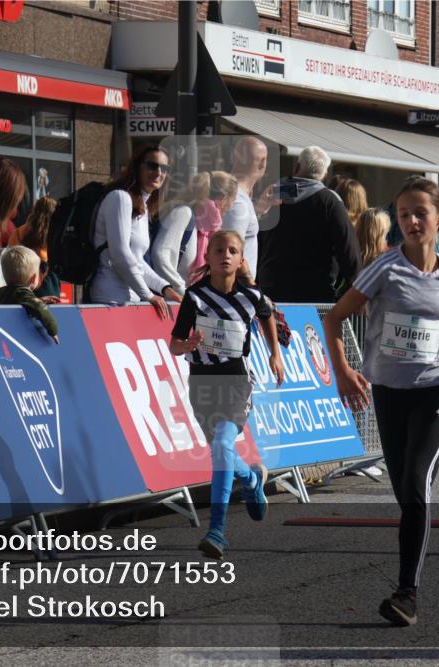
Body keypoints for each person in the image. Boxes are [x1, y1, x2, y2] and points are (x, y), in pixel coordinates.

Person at [322, 176, 439, 627]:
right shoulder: (384, 269)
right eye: (403, 215)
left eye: (420, 213)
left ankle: (407, 594)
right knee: (404, 492)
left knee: (417, 487)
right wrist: (343, 371)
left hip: (433, 387)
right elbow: (337, 317)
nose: (411, 221)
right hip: (387, 392)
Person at [169, 230, 285, 560]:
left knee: (222, 445)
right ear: (208, 257)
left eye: (232, 250)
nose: (225, 255)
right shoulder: (194, 297)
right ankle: (250, 480)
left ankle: (217, 531)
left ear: (241, 259)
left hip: (236, 383)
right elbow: (174, 343)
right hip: (202, 384)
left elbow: (267, 316)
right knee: (220, 452)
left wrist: (275, 353)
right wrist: (187, 346)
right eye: (219, 249)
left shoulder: (251, 296)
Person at [258, 146, 361, 303]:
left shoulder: (271, 196)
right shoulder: (329, 201)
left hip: (270, 293)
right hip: (315, 296)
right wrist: (353, 290)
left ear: (297, 167)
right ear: (324, 175)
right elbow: (349, 251)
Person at [89, 144, 181, 318]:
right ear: (137, 166)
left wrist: (164, 287)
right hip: (110, 298)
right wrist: (149, 295)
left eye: (164, 168)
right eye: (152, 165)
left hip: (130, 298)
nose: (158, 172)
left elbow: (137, 261)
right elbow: (120, 255)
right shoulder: (120, 198)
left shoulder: (142, 207)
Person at [152, 171, 238, 296]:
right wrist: (183, 291)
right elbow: (160, 255)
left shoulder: (208, 229)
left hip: (185, 302)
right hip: (168, 301)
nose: (231, 207)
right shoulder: (183, 214)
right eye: (233, 201)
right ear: (223, 200)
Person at [221, 137, 274, 280]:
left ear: (233, 157)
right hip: (234, 293)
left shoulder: (236, 197)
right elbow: (229, 255)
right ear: (263, 163)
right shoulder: (238, 202)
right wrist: (251, 286)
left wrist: (258, 211)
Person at [0, 245, 59, 344]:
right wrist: (53, 330)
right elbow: (39, 308)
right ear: (33, 278)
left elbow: (18, 303)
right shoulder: (23, 293)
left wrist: (39, 300)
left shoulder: (1, 293)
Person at [10, 196, 61, 299]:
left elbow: (11, 256)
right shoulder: (55, 233)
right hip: (49, 283)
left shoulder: (19, 232)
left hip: (24, 281)